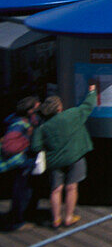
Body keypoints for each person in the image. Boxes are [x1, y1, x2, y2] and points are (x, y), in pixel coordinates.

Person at [32, 84, 97, 229]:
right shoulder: (71, 115)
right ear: (59, 108)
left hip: (54, 162)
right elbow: (87, 106)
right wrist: (92, 92)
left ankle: (56, 219)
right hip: (75, 157)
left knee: (56, 189)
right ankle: (68, 217)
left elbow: (36, 146)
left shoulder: (42, 127)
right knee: (72, 187)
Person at [1, 96, 40, 230]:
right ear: (29, 110)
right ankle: (18, 222)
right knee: (21, 192)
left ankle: (21, 216)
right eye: (36, 105)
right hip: (21, 163)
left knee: (24, 190)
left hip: (26, 162)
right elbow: (9, 147)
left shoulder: (26, 119)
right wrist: (26, 141)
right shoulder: (18, 125)